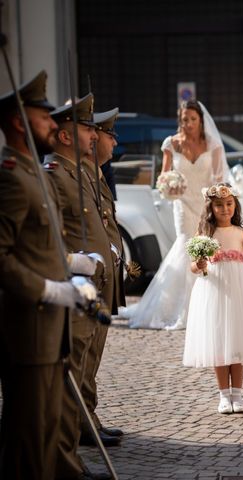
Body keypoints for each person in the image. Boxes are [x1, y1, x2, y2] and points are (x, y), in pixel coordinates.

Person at [0, 70, 88, 480]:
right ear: (19, 122)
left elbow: (44, 246)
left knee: (49, 428)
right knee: (29, 437)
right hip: (29, 327)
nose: (54, 124)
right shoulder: (12, 178)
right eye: (44, 116)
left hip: (53, 329)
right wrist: (49, 290)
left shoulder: (36, 175)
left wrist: (72, 270)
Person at [44, 93, 115, 479]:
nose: (94, 134)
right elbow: (54, 236)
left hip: (93, 285)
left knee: (84, 368)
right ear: (66, 135)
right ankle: (66, 461)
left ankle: (71, 453)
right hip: (73, 289)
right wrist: (78, 265)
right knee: (69, 380)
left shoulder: (81, 172)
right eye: (86, 127)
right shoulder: (56, 174)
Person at [123, 100, 230, 329]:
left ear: (201, 120)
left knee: (207, 249)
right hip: (181, 205)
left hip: (205, 205)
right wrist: (169, 187)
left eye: (193, 119)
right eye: (184, 119)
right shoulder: (170, 144)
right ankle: (184, 309)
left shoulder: (213, 145)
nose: (189, 123)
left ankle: (207, 306)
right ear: (179, 120)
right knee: (185, 245)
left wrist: (216, 205)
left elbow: (220, 179)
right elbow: (163, 176)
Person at [182, 183, 243, 413]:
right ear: (211, 208)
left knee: (238, 339)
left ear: (236, 205)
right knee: (220, 340)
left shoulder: (241, 232)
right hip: (214, 289)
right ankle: (224, 395)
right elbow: (194, 267)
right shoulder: (205, 233)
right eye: (219, 205)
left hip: (239, 290)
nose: (225, 209)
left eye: (229, 204)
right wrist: (199, 264)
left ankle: (238, 395)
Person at [78, 107, 125, 447]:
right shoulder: (80, 174)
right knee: (84, 352)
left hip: (102, 275)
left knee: (93, 352)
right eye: (110, 134)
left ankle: (87, 415)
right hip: (87, 277)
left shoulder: (97, 173)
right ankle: (82, 419)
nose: (111, 139)